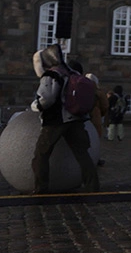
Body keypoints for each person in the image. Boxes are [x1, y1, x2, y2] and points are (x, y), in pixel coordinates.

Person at [30, 45, 100, 194]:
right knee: (82, 154)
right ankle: (92, 186)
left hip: (55, 121)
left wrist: (35, 105)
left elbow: (46, 99)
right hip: (76, 119)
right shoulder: (72, 72)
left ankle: (41, 188)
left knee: (41, 155)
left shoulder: (52, 75)